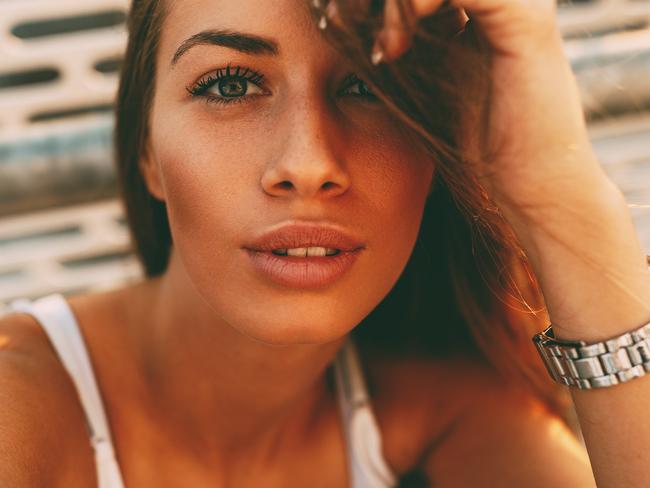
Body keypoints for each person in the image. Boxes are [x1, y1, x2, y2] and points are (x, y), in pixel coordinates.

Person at [1, 0, 648, 486]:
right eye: (230, 84)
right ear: (147, 150)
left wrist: (556, 192)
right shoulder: (18, 407)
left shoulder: (450, 416)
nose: (309, 163)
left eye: (368, 87)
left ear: (438, 150)